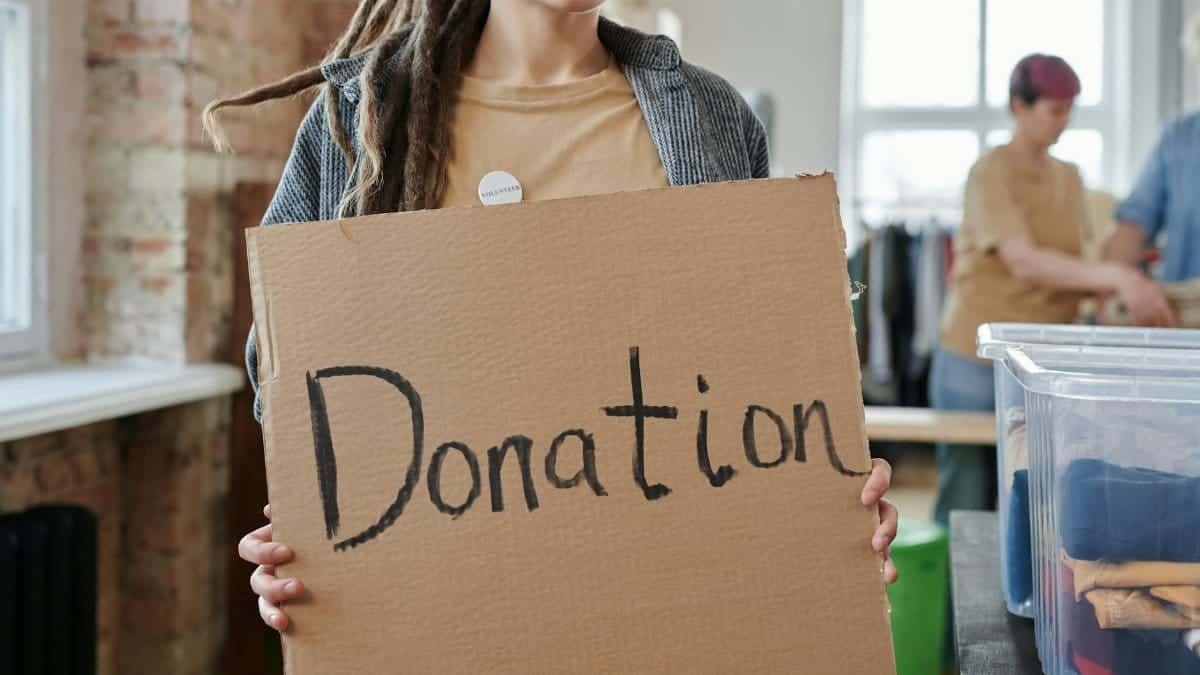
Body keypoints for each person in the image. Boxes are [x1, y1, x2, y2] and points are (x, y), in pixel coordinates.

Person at [205, 0, 900, 633]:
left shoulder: (714, 120)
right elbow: (291, 382)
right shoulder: (359, 117)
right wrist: (310, 540)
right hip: (441, 626)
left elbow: (762, 383)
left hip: (658, 621)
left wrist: (826, 503)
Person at [930, 54, 1174, 526]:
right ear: (1019, 106)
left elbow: (1085, 264)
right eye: (1054, 110)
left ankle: (1018, 598)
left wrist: (1112, 308)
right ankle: (949, 602)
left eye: (1070, 110)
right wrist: (1118, 278)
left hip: (1041, 365)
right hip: (974, 364)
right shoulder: (990, 173)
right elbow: (1025, 262)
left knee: (1033, 500)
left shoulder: (1070, 177)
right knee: (967, 503)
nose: (1064, 121)